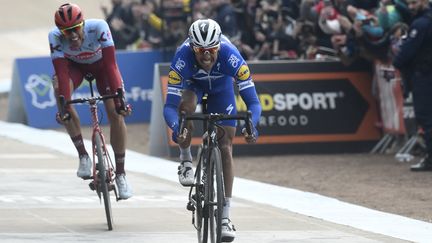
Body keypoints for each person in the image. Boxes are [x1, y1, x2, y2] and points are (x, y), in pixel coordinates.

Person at [163, 19, 262, 242]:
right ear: (192, 48)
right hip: (192, 85)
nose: (206, 55)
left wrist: (251, 125)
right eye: (200, 50)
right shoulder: (182, 58)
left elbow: (253, 104)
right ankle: (186, 159)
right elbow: (169, 106)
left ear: (218, 46)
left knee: (226, 145)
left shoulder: (232, 56)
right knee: (185, 110)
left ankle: (225, 216)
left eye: (210, 50)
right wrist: (177, 127)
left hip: (221, 89)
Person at [48, 3, 133, 199]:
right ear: (60, 31)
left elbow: (111, 65)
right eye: (66, 31)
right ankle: (83, 155)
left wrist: (120, 99)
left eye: (76, 29)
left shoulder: (99, 27)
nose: (72, 35)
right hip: (74, 68)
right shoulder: (54, 37)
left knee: (115, 113)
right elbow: (61, 72)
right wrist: (64, 105)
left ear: (83, 23)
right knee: (60, 91)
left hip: (102, 67)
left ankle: (121, 174)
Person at [393, 0, 432, 171]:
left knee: (426, 118)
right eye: (409, 3)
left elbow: (406, 53)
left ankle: (430, 159)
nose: (411, 6)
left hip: (424, 75)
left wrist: (398, 61)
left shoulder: (422, 23)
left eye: (414, 2)